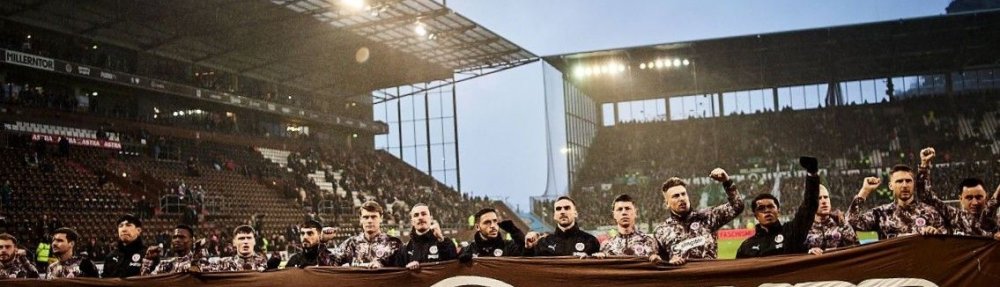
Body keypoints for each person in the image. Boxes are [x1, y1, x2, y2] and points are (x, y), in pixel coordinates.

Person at [654, 168, 744, 265]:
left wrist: (726, 181)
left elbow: (737, 206)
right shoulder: (661, 231)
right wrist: (669, 262)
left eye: (683, 194)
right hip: (682, 279)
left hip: (709, 276)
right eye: (676, 196)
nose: (681, 198)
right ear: (667, 203)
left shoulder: (707, 217)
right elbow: (660, 264)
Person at [737, 157, 821, 258]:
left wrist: (812, 174)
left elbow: (809, 207)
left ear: (778, 211)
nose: (767, 210)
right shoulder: (746, 246)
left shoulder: (791, 232)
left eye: (771, 207)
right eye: (761, 208)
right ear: (756, 216)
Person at [848, 164, 947, 239]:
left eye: (908, 181)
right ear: (891, 186)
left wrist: (936, 233)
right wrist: (864, 191)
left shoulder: (930, 212)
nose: (904, 185)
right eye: (899, 181)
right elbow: (852, 223)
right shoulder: (880, 214)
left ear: (914, 184)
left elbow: (947, 239)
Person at [915, 147, 997, 236]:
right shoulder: (955, 216)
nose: (975, 202)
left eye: (978, 197)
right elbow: (926, 196)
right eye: (969, 198)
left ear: (987, 197)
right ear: (960, 199)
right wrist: (924, 166)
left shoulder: (997, 220)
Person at [334, 201, 405, 268]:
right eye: (366, 217)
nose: (369, 221)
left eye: (373, 217)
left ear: (381, 218)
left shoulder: (394, 244)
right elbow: (330, 263)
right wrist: (322, 241)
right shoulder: (351, 244)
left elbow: (404, 269)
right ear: (360, 219)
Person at [524, 196, 600, 257]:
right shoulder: (544, 243)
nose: (562, 211)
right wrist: (529, 249)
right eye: (558, 209)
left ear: (575, 213)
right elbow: (531, 268)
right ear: (554, 215)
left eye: (567, 208)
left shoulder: (590, 241)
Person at [592, 194, 660, 261]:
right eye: (619, 209)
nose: (624, 212)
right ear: (614, 215)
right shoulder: (606, 246)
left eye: (627, 208)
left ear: (635, 213)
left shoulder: (649, 241)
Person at [804, 184, 859, 255]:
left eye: (826, 197)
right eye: (819, 198)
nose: (824, 201)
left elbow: (853, 246)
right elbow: (793, 253)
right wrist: (808, 252)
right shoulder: (804, 228)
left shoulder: (839, 221)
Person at [403, 204, 457, 270]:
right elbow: (398, 273)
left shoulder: (444, 243)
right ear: (412, 222)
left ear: (430, 219)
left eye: (424, 214)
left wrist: (441, 239)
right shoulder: (406, 248)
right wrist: (407, 269)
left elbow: (453, 265)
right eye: (416, 215)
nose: (420, 217)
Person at [458, 208, 523, 262]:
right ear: (477, 227)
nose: (493, 226)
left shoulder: (509, 247)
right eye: (487, 222)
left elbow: (527, 256)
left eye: (495, 221)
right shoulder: (468, 250)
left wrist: (515, 232)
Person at [141, 225, 207, 275]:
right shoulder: (165, 264)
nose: (177, 240)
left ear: (192, 240)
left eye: (181, 237)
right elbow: (146, 282)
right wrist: (148, 259)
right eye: (174, 237)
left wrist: (195, 263)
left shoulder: (202, 262)